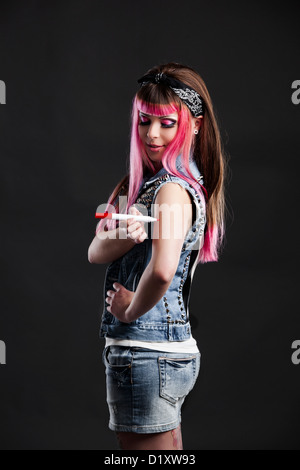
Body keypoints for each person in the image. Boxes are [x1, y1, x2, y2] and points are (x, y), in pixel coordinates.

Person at [88, 62, 227, 450]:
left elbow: (164, 270)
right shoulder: (146, 187)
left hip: (146, 356)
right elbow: (94, 251)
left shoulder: (170, 192)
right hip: (158, 356)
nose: (152, 134)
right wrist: (128, 233)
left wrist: (130, 310)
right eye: (145, 121)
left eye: (167, 123)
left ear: (195, 124)